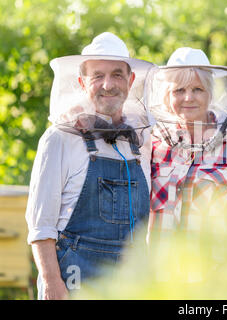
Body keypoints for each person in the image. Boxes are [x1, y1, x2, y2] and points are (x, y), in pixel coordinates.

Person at [25, 32, 155, 299]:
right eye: (98, 75)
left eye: (117, 74)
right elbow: (41, 226)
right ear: (82, 82)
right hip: (73, 284)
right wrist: (51, 283)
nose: (108, 84)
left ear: (131, 81)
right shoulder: (59, 138)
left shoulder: (143, 142)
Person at [146, 47, 227, 279]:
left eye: (197, 89)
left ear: (210, 93)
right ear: (167, 96)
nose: (188, 97)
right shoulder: (153, 144)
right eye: (179, 90)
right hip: (161, 282)